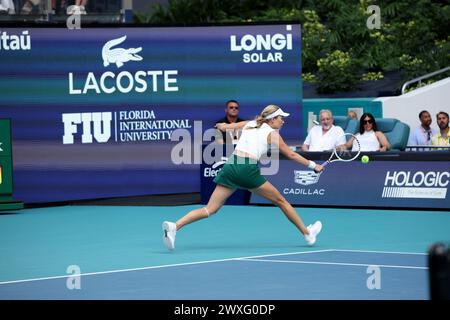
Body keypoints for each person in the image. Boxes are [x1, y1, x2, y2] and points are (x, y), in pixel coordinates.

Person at [162, 104, 324, 250]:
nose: (283, 121)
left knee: (209, 209)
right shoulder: (272, 134)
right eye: (281, 118)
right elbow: (291, 154)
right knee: (281, 201)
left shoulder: (249, 124)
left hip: (231, 166)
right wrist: (313, 166)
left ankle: (175, 226)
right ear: (273, 119)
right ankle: (307, 234)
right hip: (246, 169)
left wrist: (221, 125)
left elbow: (226, 127)